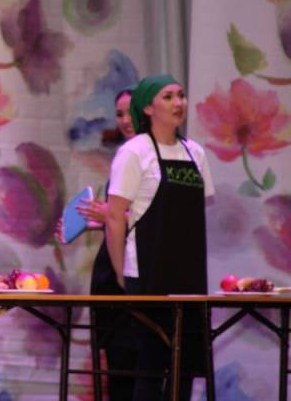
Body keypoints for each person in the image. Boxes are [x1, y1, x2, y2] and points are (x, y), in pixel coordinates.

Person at [105, 74, 214, 401]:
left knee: (186, 366)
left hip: (188, 276)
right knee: (151, 366)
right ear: (148, 108)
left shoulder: (195, 152)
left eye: (181, 95)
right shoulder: (134, 152)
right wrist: (121, 273)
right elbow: (114, 217)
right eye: (168, 97)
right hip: (147, 273)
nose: (178, 103)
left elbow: (196, 212)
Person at [59, 88, 137, 400]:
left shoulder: (155, 159)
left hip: (136, 275)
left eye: (131, 112)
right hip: (110, 277)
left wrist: (111, 215)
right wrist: (90, 221)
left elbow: (157, 218)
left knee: (139, 369)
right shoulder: (124, 157)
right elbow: (119, 218)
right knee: (117, 370)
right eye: (119, 114)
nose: (125, 120)